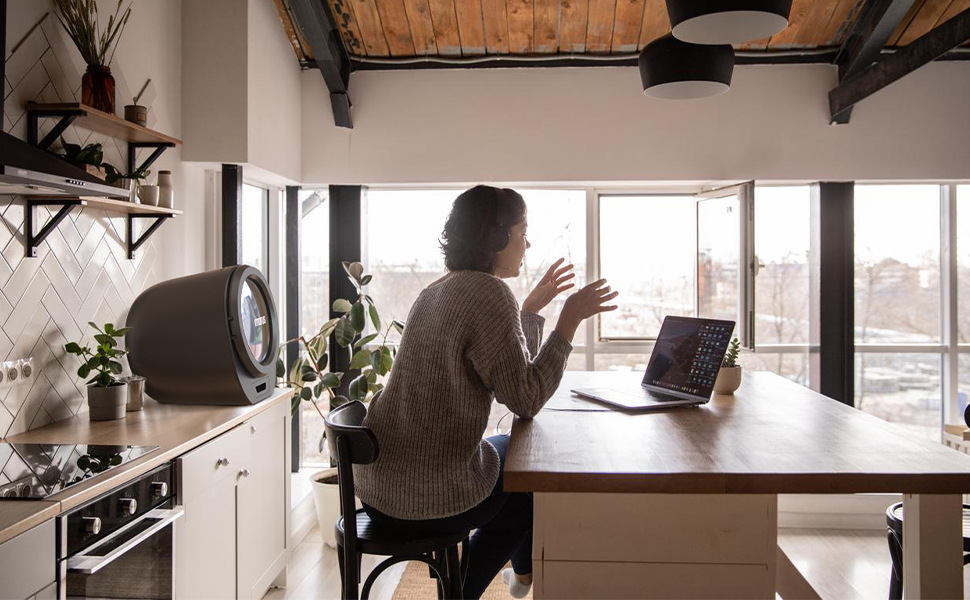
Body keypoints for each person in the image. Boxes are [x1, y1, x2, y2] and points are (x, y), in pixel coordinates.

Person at [355, 185, 618, 599]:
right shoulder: (490, 294)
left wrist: (529, 313)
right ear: (496, 237)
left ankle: (521, 577)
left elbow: (509, 378)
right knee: (531, 490)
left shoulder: (439, 289)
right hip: (426, 496)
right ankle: (465, 592)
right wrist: (569, 319)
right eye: (522, 231)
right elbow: (526, 399)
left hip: (378, 486)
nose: (527, 244)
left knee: (512, 451)